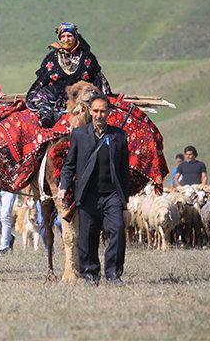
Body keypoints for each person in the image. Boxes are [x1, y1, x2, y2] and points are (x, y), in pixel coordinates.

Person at [58, 94, 130, 286]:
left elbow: (124, 171)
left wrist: (125, 201)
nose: (99, 115)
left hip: (111, 195)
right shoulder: (79, 135)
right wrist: (64, 186)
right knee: (88, 237)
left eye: (103, 111)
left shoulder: (119, 136)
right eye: (96, 111)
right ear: (90, 111)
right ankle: (91, 275)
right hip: (88, 195)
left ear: (109, 112)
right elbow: (69, 165)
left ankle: (114, 274)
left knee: (117, 230)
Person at [26, 22, 112, 128]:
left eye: (69, 36)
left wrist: (106, 98)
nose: (66, 39)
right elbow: (41, 81)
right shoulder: (51, 58)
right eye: (63, 36)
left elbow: (99, 80)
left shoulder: (87, 58)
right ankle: (47, 120)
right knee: (43, 98)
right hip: (55, 101)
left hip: (80, 99)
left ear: (76, 37)